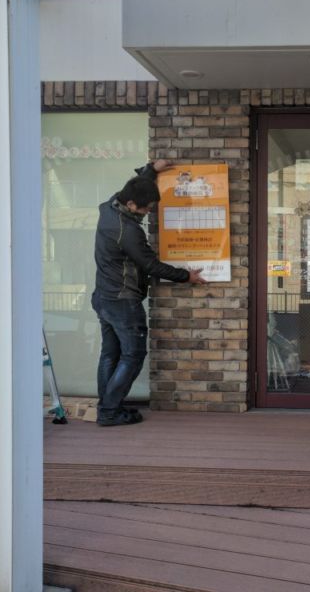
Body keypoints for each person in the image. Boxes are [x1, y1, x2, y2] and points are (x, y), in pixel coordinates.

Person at [91, 159, 207, 426]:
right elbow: (151, 264)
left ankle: (106, 407)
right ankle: (109, 411)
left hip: (103, 297)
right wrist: (187, 276)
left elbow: (132, 187)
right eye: (147, 208)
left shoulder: (110, 206)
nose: (148, 212)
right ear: (132, 206)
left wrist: (151, 170)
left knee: (110, 353)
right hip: (122, 300)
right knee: (132, 355)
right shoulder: (128, 231)